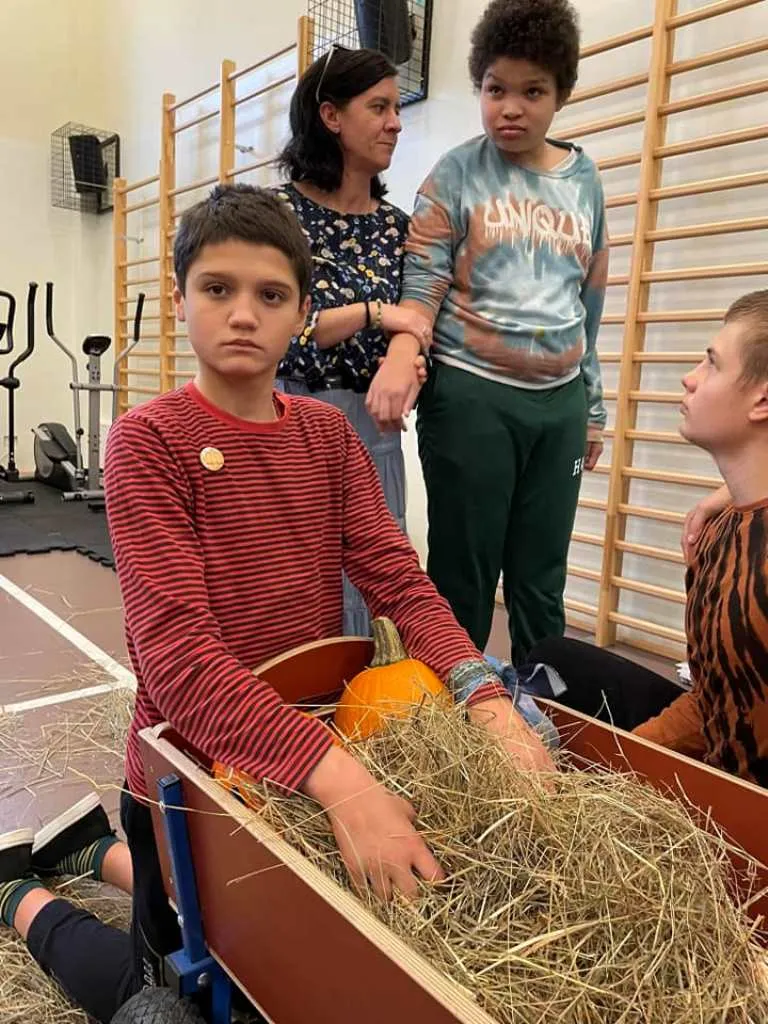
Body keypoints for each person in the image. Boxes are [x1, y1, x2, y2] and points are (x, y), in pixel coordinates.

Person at [0, 184, 553, 1024]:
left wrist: (485, 696)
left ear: (300, 314)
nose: (242, 314)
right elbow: (181, 668)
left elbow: (401, 582)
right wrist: (342, 780)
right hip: (190, 782)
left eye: (270, 295)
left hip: (301, 762)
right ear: (179, 299)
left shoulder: (327, 437)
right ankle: (22, 898)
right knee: (160, 989)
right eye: (217, 288)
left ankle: (85, 850)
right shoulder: (148, 442)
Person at [367, 0, 609, 666]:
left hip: (558, 404)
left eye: (533, 92)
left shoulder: (584, 180)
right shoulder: (456, 174)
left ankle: (546, 700)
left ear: (560, 95)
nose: (511, 108)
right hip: (473, 394)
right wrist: (402, 355)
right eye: (495, 89)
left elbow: (588, 303)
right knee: (463, 572)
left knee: (541, 574)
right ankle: (457, 701)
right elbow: (422, 285)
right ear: (479, 86)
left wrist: (590, 406)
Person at [529, 291, 768, 789]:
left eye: (712, 362)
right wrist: (625, 766)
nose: (690, 377)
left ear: (762, 401)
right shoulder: (722, 529)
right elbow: (712, 700)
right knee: (553, 660)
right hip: (718, 738)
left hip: (744, 807)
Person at [273, 45, 430, 636]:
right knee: (291, 584)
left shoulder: (398, 229)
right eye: (380, 107)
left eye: (398, 109)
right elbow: (284, 329)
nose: (396, 123)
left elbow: (421, 327)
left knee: (375, 590)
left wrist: (408, 361)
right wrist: (376, 314)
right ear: (331, 116)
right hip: (290, 418)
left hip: (374, 429)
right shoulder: (279, 216)